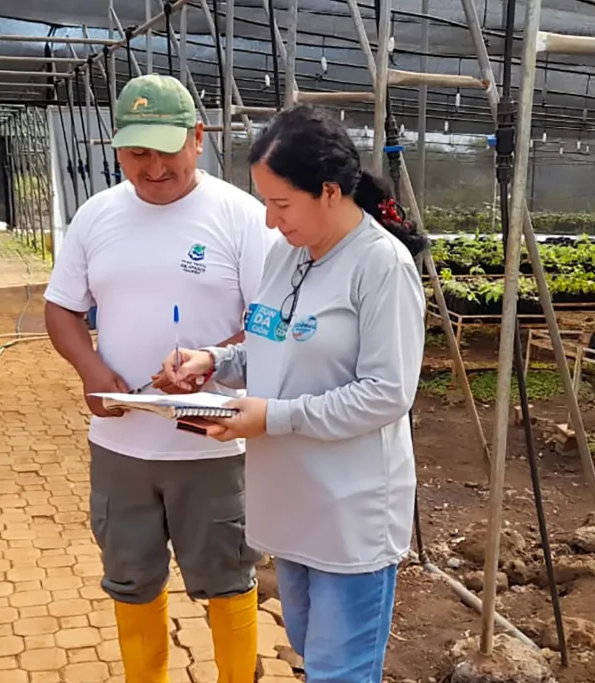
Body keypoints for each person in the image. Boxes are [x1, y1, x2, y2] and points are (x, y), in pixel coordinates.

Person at [161, 103, 427, 683]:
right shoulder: (288, 255)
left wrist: (273, 418)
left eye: (281, 204)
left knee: (341, 671)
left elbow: (387, 393)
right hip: (291, 502)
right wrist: (215, 361)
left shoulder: (381, 267)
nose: (269, 221)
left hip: (349, 511)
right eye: (265, 203)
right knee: (310, 652)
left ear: (329, 191)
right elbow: (270, 345)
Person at [43, 73, 277, 682]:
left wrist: (210, 359)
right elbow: (62, 307)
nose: (151, 168)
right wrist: (92, 371)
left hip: (214, 440)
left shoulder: (241, 217)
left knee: (227, 576)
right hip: (122, 446)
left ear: (197, 139)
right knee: (130, 578)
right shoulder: (97, 216)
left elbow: (271, 324)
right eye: (135, 152)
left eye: (164, 151)